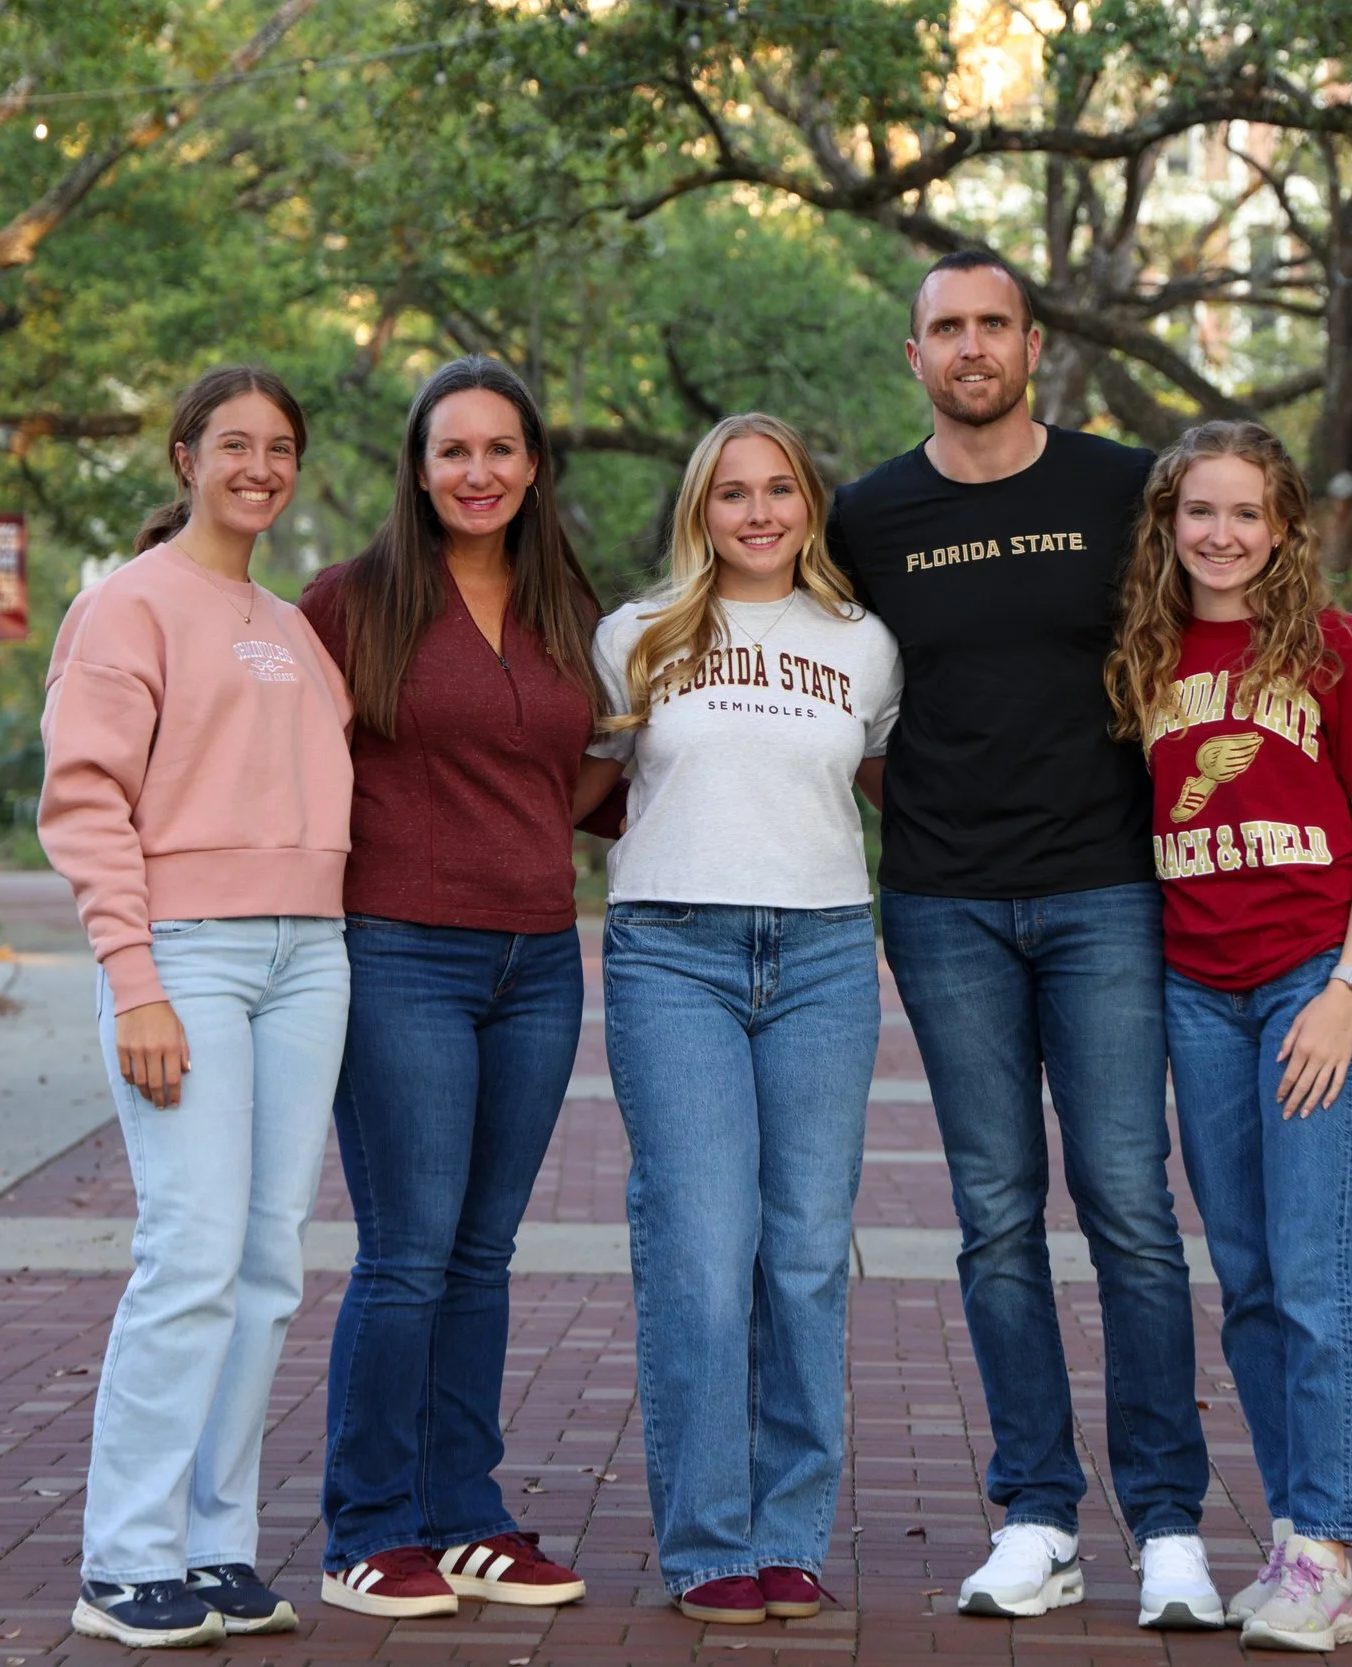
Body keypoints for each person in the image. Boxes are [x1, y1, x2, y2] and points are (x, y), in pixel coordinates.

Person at [826, 250, 1218, 1630]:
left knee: (1129, 1208)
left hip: (1108, 888)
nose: (972, 346)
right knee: (995, 1218)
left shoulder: (1123, 487)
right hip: (942, 906)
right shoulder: (865, 514)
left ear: (1033, 343)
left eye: (994, 323)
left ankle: (1168, 1524)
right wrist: (927, 795)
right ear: (915, 353)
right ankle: (1037, 1514)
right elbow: (838, 700)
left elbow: (1214, 624)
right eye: (947, 327)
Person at [40, 366, 352, 1648]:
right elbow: (84, 802)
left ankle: (217, 1547)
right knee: (189, 1251)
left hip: (311, 957)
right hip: (189, 956)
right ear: (184, 456)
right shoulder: (127, 605)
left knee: (269, 1262)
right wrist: (135, 980)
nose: (259, 467)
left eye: (280, 447)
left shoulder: (290, 619)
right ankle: (125, 1557)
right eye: (235, 443)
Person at [1104, 420, 1352, 1653]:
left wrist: (1347, 984)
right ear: (1167, 523)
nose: (1222, 534)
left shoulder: (1335, 649)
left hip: (1309, 980)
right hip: (1196, 988)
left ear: (1282, 526)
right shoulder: (1144, 653)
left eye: (1245, 513)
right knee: (1244, 1279)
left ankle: (1325, 1548)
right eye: (1199, 511)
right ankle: (1295, 1534)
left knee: (1313, 1271)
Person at [300, 356, 613, 1620]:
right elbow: (283, 764)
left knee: (482, 1252)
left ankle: (462, 1511)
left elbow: (586, 770)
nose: (477, 472)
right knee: (409, 1251)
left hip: (538, 959)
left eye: (500, 450)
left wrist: (534, 831)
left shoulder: (564, 606)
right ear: (418, 469)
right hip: (399, 956)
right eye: (453, 452)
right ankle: (369, 1527)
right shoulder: (350, 601)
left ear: (533, 464)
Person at [574, 414, 900, 1624]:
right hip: (674, 954)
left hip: (821, 952)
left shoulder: (866, 645)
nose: (757, 512)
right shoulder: (637, 635)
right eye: (731, 494)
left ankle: (789, 1531)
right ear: (698, 510)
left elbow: (898, 790)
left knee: (806, 1256)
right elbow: (578, 791)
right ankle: (711, 1539)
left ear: (809, 504)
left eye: (778, 491)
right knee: (705, 1255)